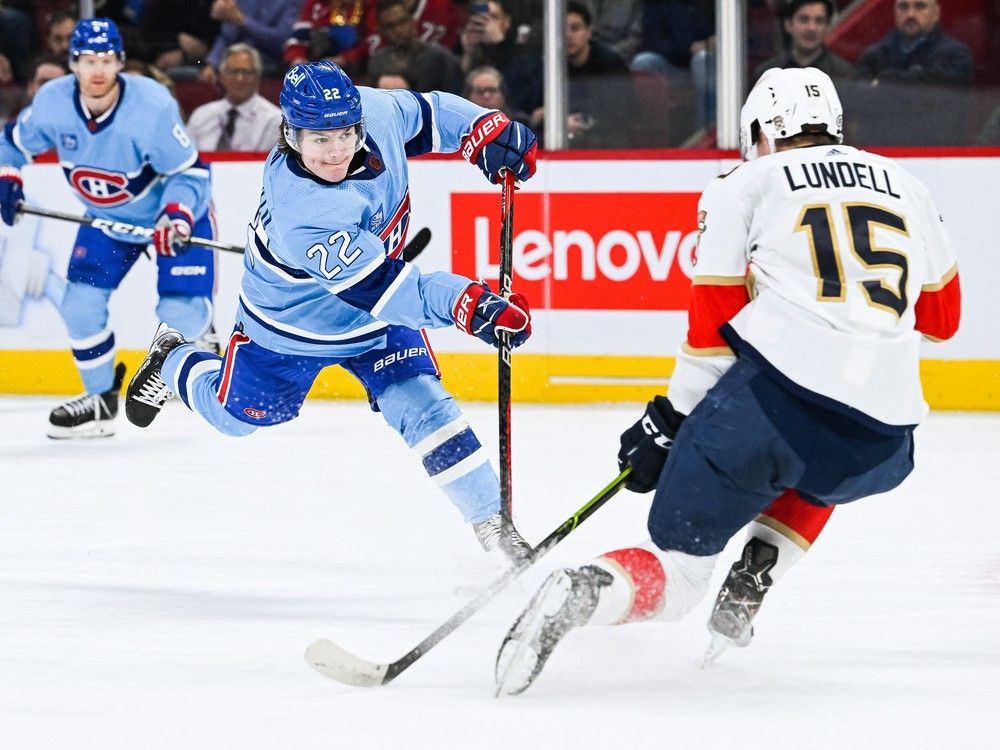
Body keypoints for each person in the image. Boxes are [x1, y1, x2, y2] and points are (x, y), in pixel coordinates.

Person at [493, 67, 962, 695]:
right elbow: (942, 321)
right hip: (885, 439)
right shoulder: (908, 184)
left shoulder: (744, 183)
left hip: (768, 413)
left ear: (762, 129)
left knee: (680, 573)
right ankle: (761, 564)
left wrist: (670, 420)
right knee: (822, 455)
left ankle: (584, 592)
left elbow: (714, 322)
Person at [123, 60, 540, 565]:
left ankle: (495, 526)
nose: (337, 149)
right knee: (239, 420)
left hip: (373, 328)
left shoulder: (374, 111)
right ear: (291, 135)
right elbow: (385, 289)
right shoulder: (304, 211)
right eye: (320, 139)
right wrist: (468, 305)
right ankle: (173, 357)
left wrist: (482, 127)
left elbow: (430, 115)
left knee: (425, 406)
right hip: (285, 328)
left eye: (344, 133)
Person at [0, 18, 218, 439]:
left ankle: (188, 339)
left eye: (106, 60)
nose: (97, 70)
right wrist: (9, 174)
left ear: (120, 62)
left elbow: (191, 174)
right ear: (72, 64)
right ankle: (100, 400)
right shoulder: (53, 102)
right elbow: (12, 141)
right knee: (81, 307)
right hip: (108, 221)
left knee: (180, 311)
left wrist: (176, 213)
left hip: (170, 219)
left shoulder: (151, 105)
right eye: (87, 60)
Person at [186, 43, 282, 152]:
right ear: (221, 77)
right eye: (233, 72)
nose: (239, 78)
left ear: (257, 77)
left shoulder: (274, 120)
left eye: (246, 72)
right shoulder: (201, 115)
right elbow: (187, 159)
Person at [856, 0, 973, 87]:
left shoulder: (957, 55)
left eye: (920, 6)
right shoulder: (873, 56)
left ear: (936, 13)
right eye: (903, 7)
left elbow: (938, 94)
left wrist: (885, 81)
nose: (910, 14)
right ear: (894, 13)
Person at [367, 0, 462, 94]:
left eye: (403, 21)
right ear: (381, 30)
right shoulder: (377, 61)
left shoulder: (436, 56)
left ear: (412, 21)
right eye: (390, 26)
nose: (398, 30)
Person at [750, 0, 852, 86]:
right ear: (788, 25)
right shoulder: (767, 74)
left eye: (819, 21)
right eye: (804, 19)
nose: (811, 28)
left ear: (827, 27)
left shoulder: (844, 74)